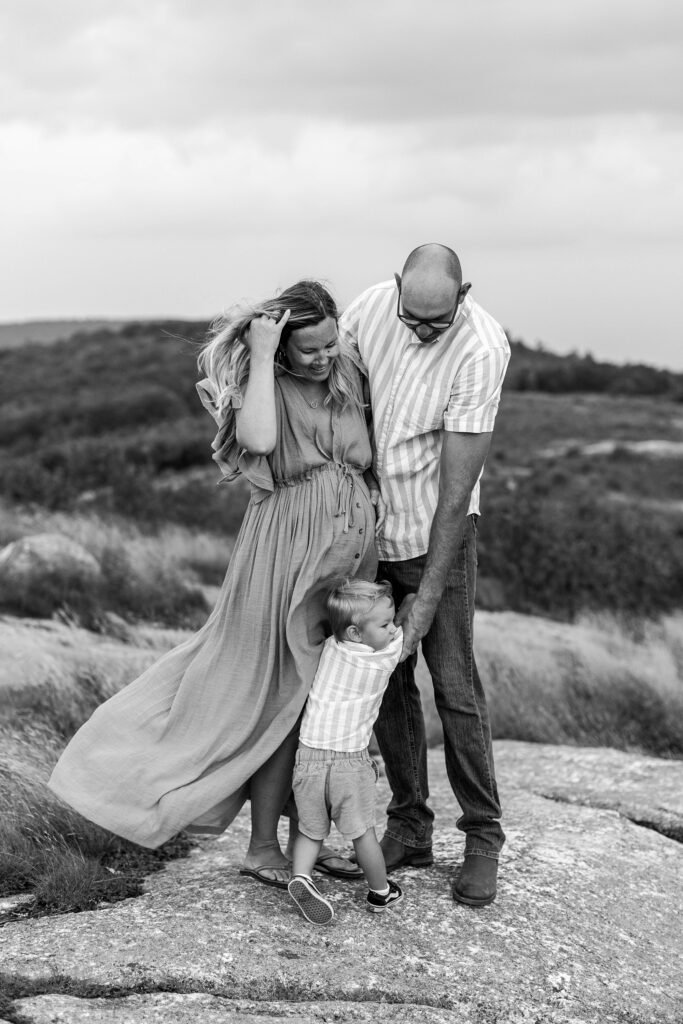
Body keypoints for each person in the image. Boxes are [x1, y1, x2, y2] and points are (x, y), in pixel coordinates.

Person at [48, 280, 379, 888]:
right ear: (279, 348)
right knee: (275, 693)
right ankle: (258, 845)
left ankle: (307, 838)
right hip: (285, 553)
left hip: (348, 553)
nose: (325, 356)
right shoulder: (264, 386)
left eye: (331, 342)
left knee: (319, 700)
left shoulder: (348, 368)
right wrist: (259, 354)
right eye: (309, 349)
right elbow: (257, 442)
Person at [339, 244, 510, 907]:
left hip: (437, 530)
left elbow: (454, 491)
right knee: (381, 677)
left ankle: (483, 835)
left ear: (463, 293)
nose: (419, 332)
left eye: (434, 322)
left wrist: (427, 597)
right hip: (368, 532)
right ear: (395, 290)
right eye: (412, 318)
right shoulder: (369, 311)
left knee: (453, 684)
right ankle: (408, 825)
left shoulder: (481, 349)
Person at [287, 579, 404, 925]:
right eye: (384, 624)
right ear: (355, 633)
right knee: (361, 833)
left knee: (311, 830)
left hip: (307, 757)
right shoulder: (382, 658)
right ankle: (381, 892)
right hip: (348, 763)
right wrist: (409, 602)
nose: (392, 628)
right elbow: (404, 637)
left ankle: (302, 876)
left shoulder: (329, 648)